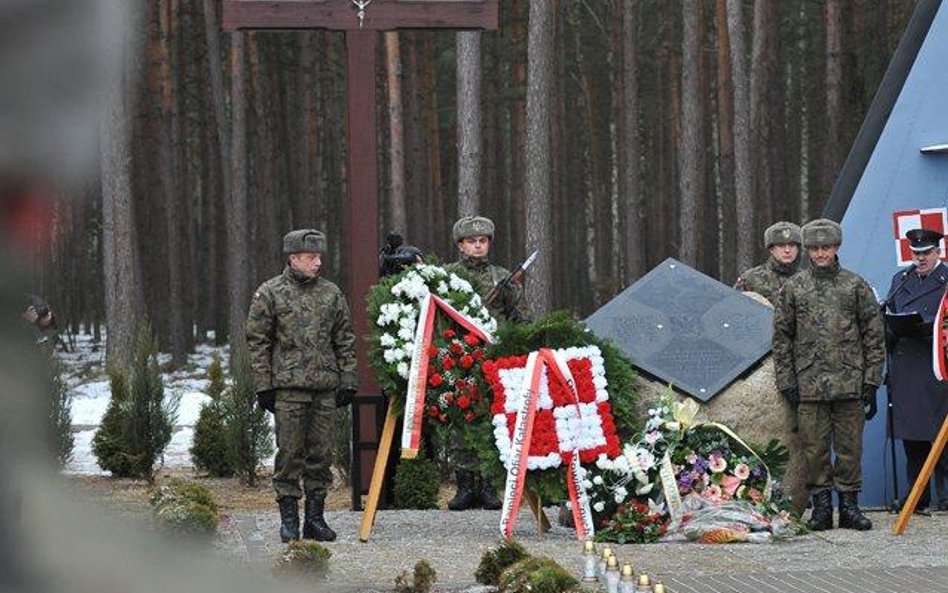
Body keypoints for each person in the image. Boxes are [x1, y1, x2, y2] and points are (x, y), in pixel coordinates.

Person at [245, 229, 357, 542]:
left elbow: (344, 339)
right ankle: (289, 520)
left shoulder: (331, 293)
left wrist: (348, 379)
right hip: (288, 389)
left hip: (324, 387)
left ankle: (315, 519)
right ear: (293, 258)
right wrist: (262, 385)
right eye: (311, 257)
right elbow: (257, 341)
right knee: (290, 454)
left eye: (319, 256)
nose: (318, 262)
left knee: (321, 456)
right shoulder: (270, 292)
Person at [773, 218, 885, 531]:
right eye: (815, 248)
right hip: (809, 384)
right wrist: (787, 381)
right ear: (807, 250)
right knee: (814, 449)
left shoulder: (855, 285)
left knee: (850, 449)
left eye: (827, 247)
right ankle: (821, 508)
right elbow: (782, 337)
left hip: (850, 382)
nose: (821, 253)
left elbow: (873, 336)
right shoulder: (793, 288)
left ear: (836, 247)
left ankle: (849, 508)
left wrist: (872, 380)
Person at [444, 215, 528, 511]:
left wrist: (512, 297)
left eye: (482, 241)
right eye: (471, 241)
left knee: (495, 419)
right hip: (461, 357)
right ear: (460, 245)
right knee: (462, 421)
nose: (478, 246)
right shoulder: (448, 275)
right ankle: (465, 485)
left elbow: (517, 315)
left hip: (495, 357)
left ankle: (490, 485)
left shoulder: (502, 276)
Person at [883, 228, 948, 512]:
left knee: (942, 435)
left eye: (926, 253)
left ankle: (945, 496)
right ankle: (916, 497)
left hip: (937, 365)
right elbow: (890, 313)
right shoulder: (902, 279)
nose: (920, 258)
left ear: (938, 252)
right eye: (916, 253)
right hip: (907, 364)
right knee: (913, 435)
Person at [734, 221, 802, 305]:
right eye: (781, 245)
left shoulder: (809, 281)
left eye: (792, 245)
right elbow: (735, 309)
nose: (787, 250)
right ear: (771, 249)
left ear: (798, 249)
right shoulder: (751, 279)